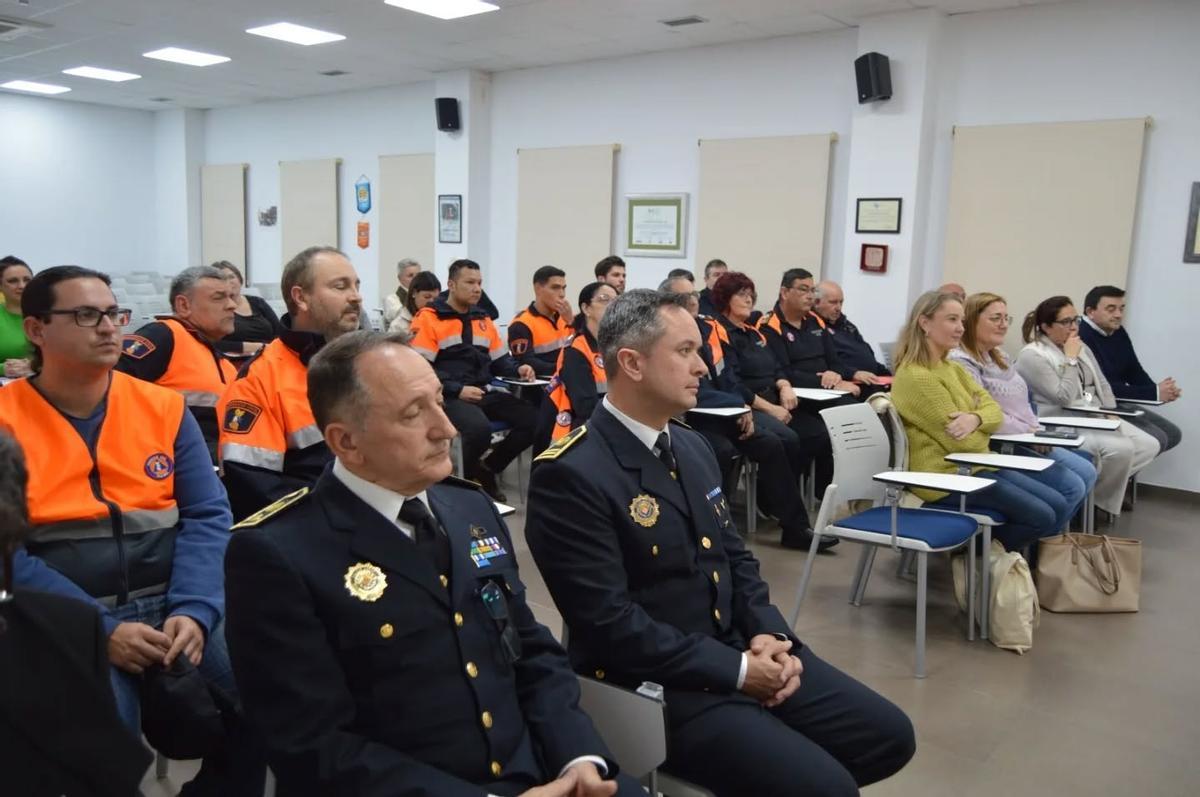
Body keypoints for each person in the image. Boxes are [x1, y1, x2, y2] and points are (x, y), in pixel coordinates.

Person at [525, 289, 915, 797]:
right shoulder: (572, 473)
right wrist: (737, 672)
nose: (704, 367)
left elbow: (734, 558)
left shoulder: (690, 444)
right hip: (656, 683)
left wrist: (771, 636)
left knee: (888, 737)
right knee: (828, 788)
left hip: (737, 645)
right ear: (632, 363)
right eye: (685, 352)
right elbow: (608, 625)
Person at [224, 331, 640, 797]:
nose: (447, 428)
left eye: (439, 401)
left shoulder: (470, 510)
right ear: (347, 442)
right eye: (412, 414)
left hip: (543, 771)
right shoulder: (280, 552)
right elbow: (312, 745)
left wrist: (577, 757)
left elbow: (531, 651)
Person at [0, 265, 263, 794]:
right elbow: (7, 551)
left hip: (172, 603)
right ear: (36, 330)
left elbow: (208, 515)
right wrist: (99, 630)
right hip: (68, 619)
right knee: (97, 757)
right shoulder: (7, 417)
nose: (108, 328)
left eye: (113, 314)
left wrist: (195, 609)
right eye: (85, 315)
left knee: (269, 710)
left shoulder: (161, 406)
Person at [1, 429, 153, 797]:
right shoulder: (69, 630)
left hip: (158, 605)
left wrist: (196, 607)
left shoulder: (71, 629)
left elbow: (207, 513)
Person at [891, 291, 1079, 551]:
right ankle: (976, 560)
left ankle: (1006, 565)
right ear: (925, 323)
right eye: (952, 320)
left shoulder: (951, 367)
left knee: (1058, 503)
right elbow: (965, 444)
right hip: (942, 477)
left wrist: (976, 417)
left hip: (975, 466)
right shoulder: (918, 377)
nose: (960, 328)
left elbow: (993, 409)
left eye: (962, 321)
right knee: (1042, 515)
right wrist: (981, 424)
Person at [662, 274, 832, 552]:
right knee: (722, 449)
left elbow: (725, 376)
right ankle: (716, 529)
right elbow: (690, 390)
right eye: (685, 298)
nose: (693, 301)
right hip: (692, 416)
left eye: (694, 296)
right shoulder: (669, 337)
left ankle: (795, 527)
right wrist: (736, 406)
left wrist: (737, 406)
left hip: (725, 409)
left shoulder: (708, 329)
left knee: (773, 443)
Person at [217, 245, 363, 520]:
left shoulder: (372, 361)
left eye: (356, 285)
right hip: (320, 525)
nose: (356, 297)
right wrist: (333, 517)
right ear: (301, 298)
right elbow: (251, 486)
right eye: (340, 286)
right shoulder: (260, 379)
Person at [949, 292, 1097, 527]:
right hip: (999, 441)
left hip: (1026, 434)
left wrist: (1034, 429)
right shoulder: (961, 361)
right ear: (972, 320)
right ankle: (1031, 548)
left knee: (1087, 471)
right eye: (996, 318)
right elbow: (986, 411)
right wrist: (1028, 432)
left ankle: (1046, 547)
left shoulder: (999, 356)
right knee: (1072, 486)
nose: (1003, 325)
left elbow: (1024, 403)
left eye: (1007, 318)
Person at [1015, 296, 1159, 517]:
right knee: (1121, 450)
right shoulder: (1033, 355)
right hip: (1062, 419)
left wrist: (1112, 413)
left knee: (1148, 444)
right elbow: (1063, 397)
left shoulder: (1080, 346)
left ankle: (1095, 495)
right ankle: (1094, 505)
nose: (1073, 327)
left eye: (1076, 320)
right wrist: (1070, 360)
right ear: (1046, 327)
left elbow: (1102, 383)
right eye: (1066, 322)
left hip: (1094, 413)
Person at [410, 259, 537, 502]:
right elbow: (420, 368)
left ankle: (487, 468)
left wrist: (519, 369)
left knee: (533, 420)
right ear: (451, 285)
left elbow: (500, 362)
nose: (477, 288)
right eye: (470, 282)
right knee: (478, 431)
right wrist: (457, 390)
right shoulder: (429, 318)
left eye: (479, 283)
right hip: (448, 395)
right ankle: (463, 488)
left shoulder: (483, 319)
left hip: (483, 391)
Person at [711, 271, 834, 520]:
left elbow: (777, 366)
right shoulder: (720, 332)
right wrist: (770, 408)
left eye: (751, 295)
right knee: (787, 439)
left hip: (775, 397)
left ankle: (781, 499)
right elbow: (733, 382)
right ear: (725, 298)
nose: (749, 300)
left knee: (818, 430)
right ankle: (778, 505)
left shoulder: (753, 333)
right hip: (750, 404)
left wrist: (784, 385)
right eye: (741, 295)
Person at [115, 265, 239, 459]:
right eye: (219, 297)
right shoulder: (163, 335)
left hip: (216, 461)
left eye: (232, 297)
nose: (232, 305)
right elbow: (109, 388)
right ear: (184, 306)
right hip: (171, 461)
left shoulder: (225, 363)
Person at [1079, 284, 1183, 453]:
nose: (1118, 315)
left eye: (1121, 309)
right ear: (1091, 312)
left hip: (1117, 402)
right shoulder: (1082, 336)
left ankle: (1125, 474)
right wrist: (1154, 393)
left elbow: (1133, 370)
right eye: (1111, 309)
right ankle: (1115, 476)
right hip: (1095, 406)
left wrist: (1159, 391)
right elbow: (1102, 387)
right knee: (1159, 438)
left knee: (1172, 434)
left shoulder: (1118, 331)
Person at [539, 281, 616, 452]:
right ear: (586, 308)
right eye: (605, 300)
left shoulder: (616, 346)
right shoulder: (576, 350)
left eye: (616, 301)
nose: (612, 306)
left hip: (606, 421)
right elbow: (585, 407)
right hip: (577, 429)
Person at [760, 268, 861, 396]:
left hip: (827, 390)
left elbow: (835, 361)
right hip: (798, 395)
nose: (810, 296)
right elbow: (785, 373)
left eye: (812, 290)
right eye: (803, 289)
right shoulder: (770, 325)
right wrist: (828, 383)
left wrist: (835, 374)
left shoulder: (816, 320)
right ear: (785, 293)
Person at [812, 280, 891, 381]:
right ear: (816, 302)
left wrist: (889, 375)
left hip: (871, 379)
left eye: (841, 302)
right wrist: (853, 373)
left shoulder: (847, 325)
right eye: (833, 302)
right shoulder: (813, 328)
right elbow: (825, 363)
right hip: (848, 381)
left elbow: (865, 353)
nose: (838, 308)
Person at [508, 265, 574, 376]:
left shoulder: (565, 317)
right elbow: (526, 362)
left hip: (569, 381)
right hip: (542, 385)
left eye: (564, 288)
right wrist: (564, 368)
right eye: (555, 288)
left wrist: (571, 322)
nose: (562, 294)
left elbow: (583, 348)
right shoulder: (522, 323)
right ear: (538, 289)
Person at [210, 261, 284, 355]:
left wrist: (271, 349)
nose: (229, 282)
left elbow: (279, 332)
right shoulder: (216, 309)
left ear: (240, 280)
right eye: (223, 279)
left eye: (231, 277)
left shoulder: (258, 302)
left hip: (270, 356)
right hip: (237, 360)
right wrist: (253, 347)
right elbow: (212, 343)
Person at [0, 255, 33, 377]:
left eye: (27, 280)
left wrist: (34, 365)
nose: (22, 286)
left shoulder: (50, 315)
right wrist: (4, 369)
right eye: (13, 281)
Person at [389, 270, 440, 335]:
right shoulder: (398, 326)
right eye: (427, 297)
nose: (431, 301)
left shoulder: (441, 319)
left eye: (436, 298)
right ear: (414, 293)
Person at [382, 257, 422, 327]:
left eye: (418, 275)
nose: (415, 279)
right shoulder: (391, 299)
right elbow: (401, 316)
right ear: (400, 278)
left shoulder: (426, 296)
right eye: (410, 275)